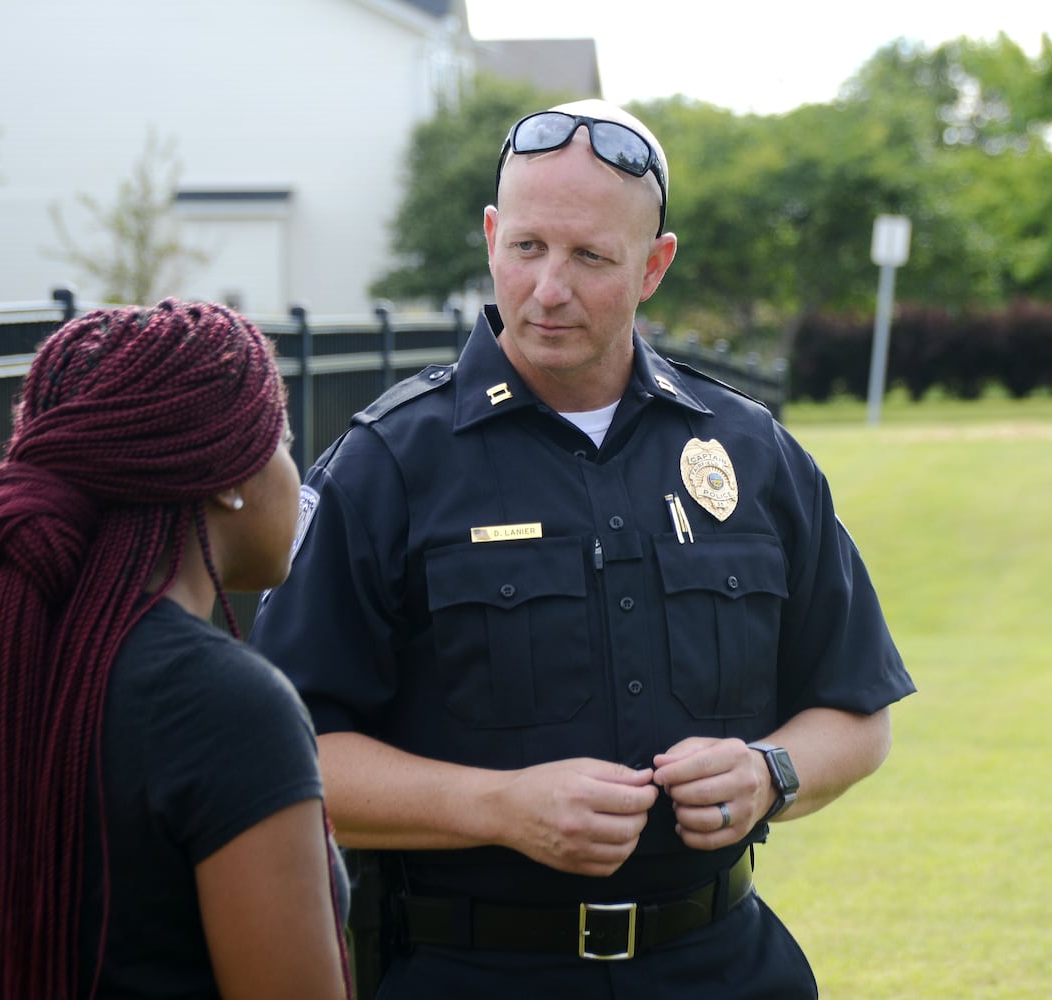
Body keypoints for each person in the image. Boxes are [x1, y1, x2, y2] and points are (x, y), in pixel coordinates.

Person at [250, 99, 915, 998]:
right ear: (491, 237)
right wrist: (499, 807)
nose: (548, 288)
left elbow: (855, 709)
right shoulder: (388, 465)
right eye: (526, 248)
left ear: (654, 265)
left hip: (723, 965)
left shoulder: (750, 454)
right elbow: (288, 755)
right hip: (471, 971)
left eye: (590, 257)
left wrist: (771, 772)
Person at [0, 300, 352, 999]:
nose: (293, 468)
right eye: (278, 437)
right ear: (225, 480)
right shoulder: (228, 709)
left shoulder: (1, 668)